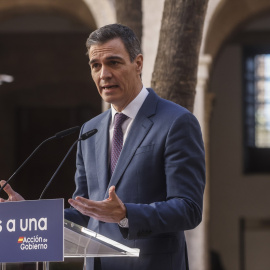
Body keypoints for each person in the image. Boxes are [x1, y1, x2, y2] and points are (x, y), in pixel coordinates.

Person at [1, 24, 205, 270]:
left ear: (138, 64)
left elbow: (188, 208)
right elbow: (86, 211)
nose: (103, 74)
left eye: (114, 63)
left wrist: (125, 213)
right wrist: (33, 218)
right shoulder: (90, 129)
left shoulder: (176, 122)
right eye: (95, 65)